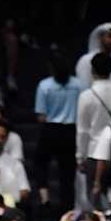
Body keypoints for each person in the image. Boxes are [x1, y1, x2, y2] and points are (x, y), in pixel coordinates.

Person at [74, 50, 111, 214]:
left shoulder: (86, 96)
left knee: (95, 203)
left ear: (92, 71)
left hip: (95, 152)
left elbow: (83, 130)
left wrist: (80, 157)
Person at [32, 53, 85, 208]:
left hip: (51, 128)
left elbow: (41, 115)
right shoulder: (79, 85)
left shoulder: (44, 85)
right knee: (67, 172)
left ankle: (44, 196)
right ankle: (66, 206)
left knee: (41, 163)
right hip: (71, 130)